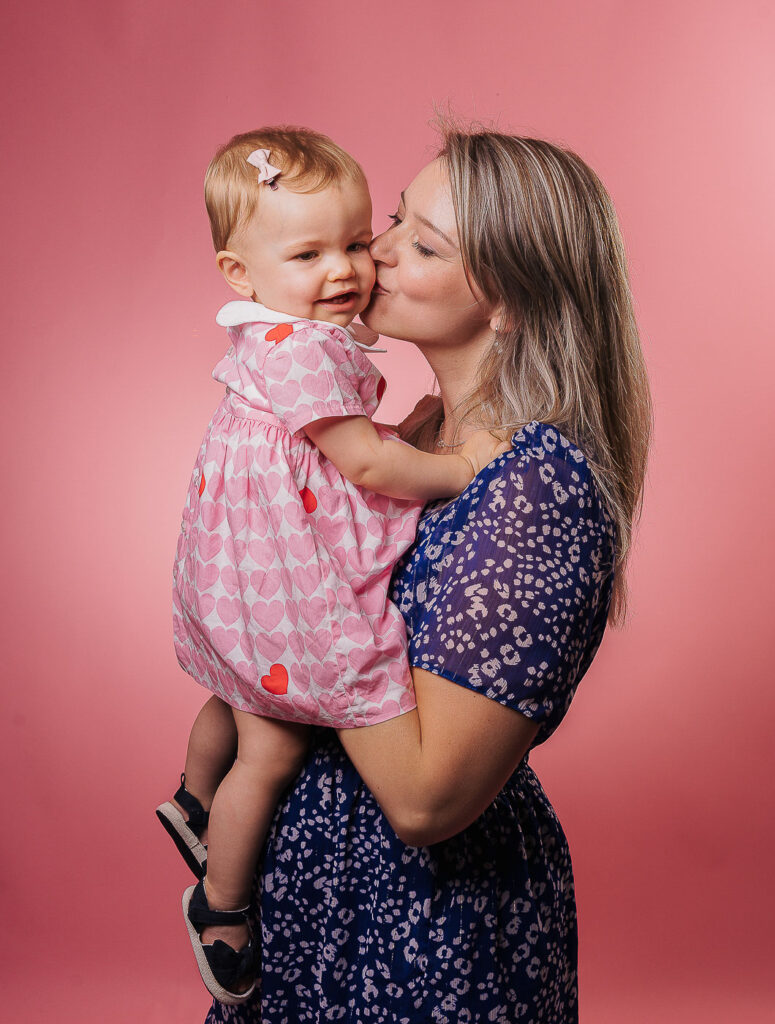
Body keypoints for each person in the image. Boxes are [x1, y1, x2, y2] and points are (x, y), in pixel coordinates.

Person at [204, 124, 651, 1024]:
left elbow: (421, 798)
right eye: (396, 221)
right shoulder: (411, 437)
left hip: (426, 936)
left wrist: (283, 586)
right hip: (322, 905)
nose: (375, 253)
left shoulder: (534, 486)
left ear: (512, 306)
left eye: (424, 244)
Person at [157, 126, 503, 1005]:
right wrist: (458, 465)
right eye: (310, 252)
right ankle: (222, 905)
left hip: (236, 558)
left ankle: (192, 800)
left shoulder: (268, 326)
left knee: (235, 692)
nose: (349, 269)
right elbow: (367, 467)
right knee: (270, 749)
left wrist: (402, 435)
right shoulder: (307, 349)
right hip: (283, 567)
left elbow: (325, 446)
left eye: (355, 241)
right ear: (241, 272)